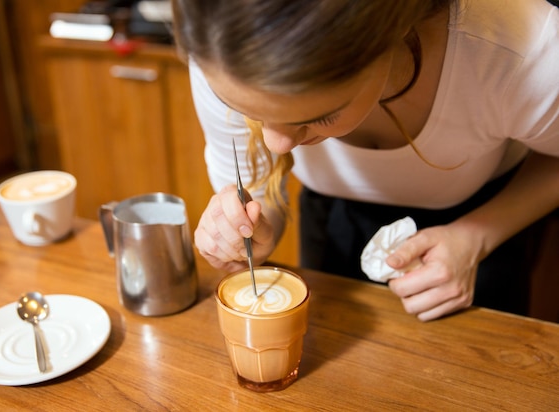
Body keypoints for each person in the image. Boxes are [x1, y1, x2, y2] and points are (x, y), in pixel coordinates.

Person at [171, 0, 559, 321]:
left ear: (390, 42)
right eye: (245, 109)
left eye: (319, 117)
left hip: (487, 219)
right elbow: (259, 193)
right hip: (332, 220)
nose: (277, 145)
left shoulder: (521, 53)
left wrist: (476, 236)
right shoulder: (218, 48)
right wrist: (249, 229)